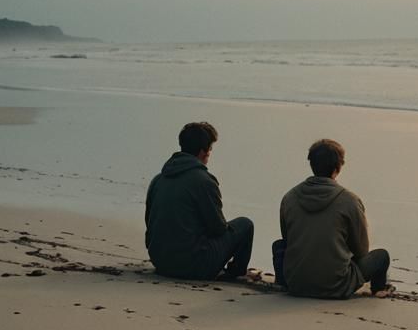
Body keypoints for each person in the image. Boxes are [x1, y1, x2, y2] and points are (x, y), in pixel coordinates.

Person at [274, 138, 391, 298]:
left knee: (279, 245)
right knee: (381, 256)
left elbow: (288, 238)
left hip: (296, 284)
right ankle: (378, 290)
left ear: (311, 164)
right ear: (338, 168)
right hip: (336, 286)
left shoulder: (289, 197)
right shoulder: (350, 201)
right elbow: (362, 250)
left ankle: (282, 282)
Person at [145, 121, 254, 281]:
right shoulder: (204, 181)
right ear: (203, 151)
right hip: (192, 266)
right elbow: (218, 228)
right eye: (210, 149)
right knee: (245, 224)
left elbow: (149, 223)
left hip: (160, 261)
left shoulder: (158, 179)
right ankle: (236, 272)